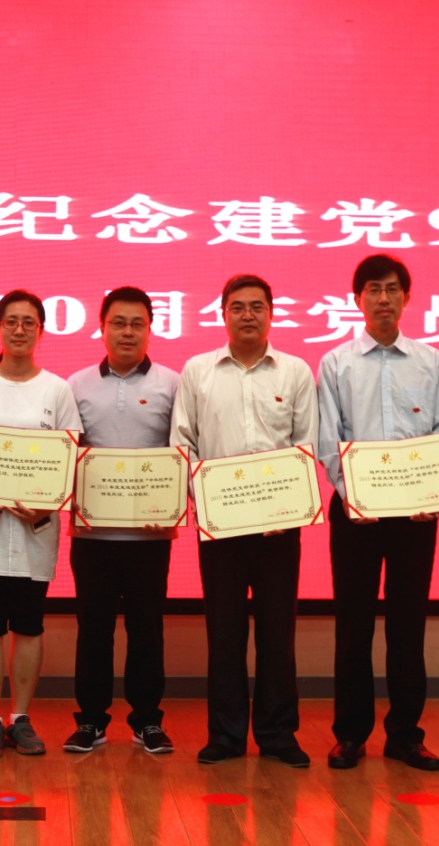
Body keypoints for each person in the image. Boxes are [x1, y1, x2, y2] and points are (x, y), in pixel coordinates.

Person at [317, 254, 439, 772]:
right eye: (374, 289)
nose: (384, 298)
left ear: (406, 297)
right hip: (355, 515)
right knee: (353, 627)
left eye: (393, 289)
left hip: (416, 517)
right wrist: (350, 494)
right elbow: (327, 436)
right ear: (357, 299)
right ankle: (350, 735)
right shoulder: (336, 363)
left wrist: (434, 494)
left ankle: (405, 735)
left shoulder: (431, 361)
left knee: (408, 625)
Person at [170, 274, 319, 768]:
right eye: (237, 307)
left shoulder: (295, 371)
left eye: (257, 306)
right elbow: (183, 443)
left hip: (279, 528)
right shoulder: (198, 371)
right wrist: (208, 503)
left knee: (278, 634)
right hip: (221, 529)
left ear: (271, 313)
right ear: (223, 314)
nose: (248, 315)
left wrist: (288, 506)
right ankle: (226, 735)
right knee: (225, 633)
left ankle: (278, 734)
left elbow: (306, 444)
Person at [0, 290, 83, 758]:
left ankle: (21, 718)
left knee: (29, 624)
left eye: (29, 322)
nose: (20, 329)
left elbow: (68, 457)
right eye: (11, 321)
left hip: (35, 529)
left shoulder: (57, 390)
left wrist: (49, 506)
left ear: (41, 331)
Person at [63, 287, 181, 755]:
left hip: (150, 534)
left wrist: (170, 505)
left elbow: (182, 451)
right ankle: (91, 720)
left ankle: (147, 720)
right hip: (92, 532)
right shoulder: (76, 385)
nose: (127, 332)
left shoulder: (173, 384)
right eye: (118, 323)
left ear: (150, 329)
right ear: (102, 328)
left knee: (147, 628)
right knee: (93, 628)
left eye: (137, 324)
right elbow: (64, 454)